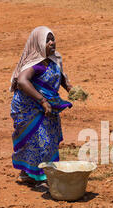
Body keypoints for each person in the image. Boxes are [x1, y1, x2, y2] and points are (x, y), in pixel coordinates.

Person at [10, 26, 73, 186]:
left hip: (47, 107)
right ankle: (43, 177)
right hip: (29, 108)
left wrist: (71, 88)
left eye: (53, 39)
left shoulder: (55, 59)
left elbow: (60, 77)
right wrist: (42, 101)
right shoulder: (35, 64)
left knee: (47, 140)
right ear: (38, 44)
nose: (52, 43)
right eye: (47, 40)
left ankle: (29, 174)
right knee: (39, 140)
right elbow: (23, 81)